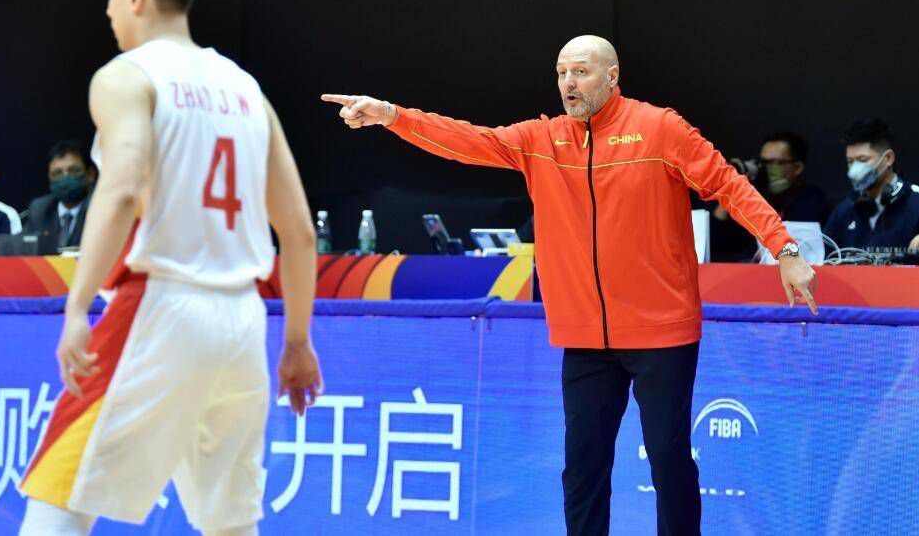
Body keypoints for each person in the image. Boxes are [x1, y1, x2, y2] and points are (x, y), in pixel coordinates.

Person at [322, 35, 817, 536]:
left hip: (660, 333)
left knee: (669, 464)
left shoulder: (659, 128)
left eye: (580, 72)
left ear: (612, 76)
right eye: (561, 73)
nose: (567, 83)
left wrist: (785, 250)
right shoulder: (542, 140)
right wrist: (392, 115)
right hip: (585, 338)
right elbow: (467, 141)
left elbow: (728, 184)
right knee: (582, 470)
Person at [18, 0, 323, 536]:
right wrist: (296, 342)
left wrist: (78, 303)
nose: (108, 12)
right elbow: (300, 232)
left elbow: (124, 184)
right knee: (230, 524)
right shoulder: (247, 89)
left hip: (159, 307)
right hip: (241, 325)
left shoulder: (126, 76)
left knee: (59, 494)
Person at [709, 131, 829, 261]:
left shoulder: (813, 202)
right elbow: (714, 243)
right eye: (764, 162)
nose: (766, 169)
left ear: (797, 167)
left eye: (774, 163)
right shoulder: (753, 198)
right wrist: (730, 187)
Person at [824, 117, 919, 254]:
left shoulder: (916, 202)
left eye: (863, 160)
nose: (854, 169)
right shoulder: (844, 210)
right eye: (850, 161)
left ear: (888, 159)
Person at [23, 140, 97, 249]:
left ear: (90, 174)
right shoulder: (40, 209)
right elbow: (24, 249)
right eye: (57, 173)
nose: (65, 178)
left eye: (73, 171)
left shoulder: (100, 208)